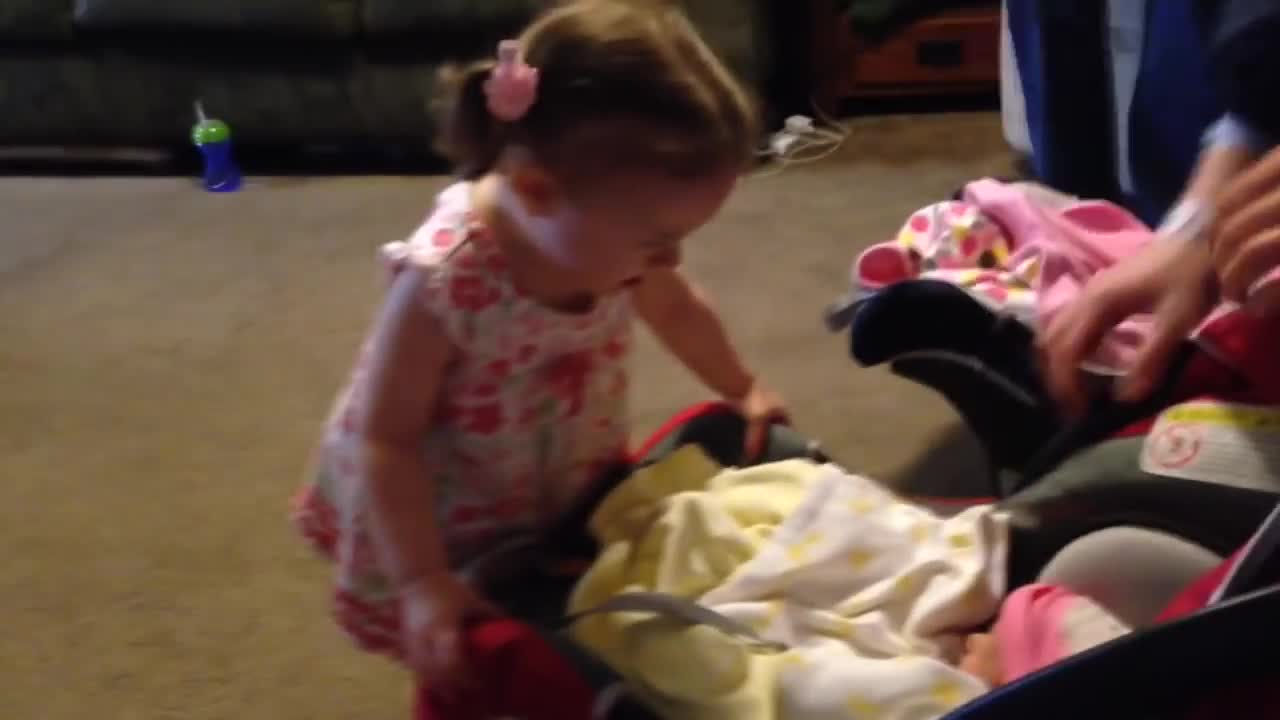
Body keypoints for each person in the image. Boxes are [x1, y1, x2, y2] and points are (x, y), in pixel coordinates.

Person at [291, 0, 786, 704]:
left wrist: (743, 387)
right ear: (536, 192)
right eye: (655, 240)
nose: (670, 257)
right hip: (443, 510)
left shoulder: (612, 244)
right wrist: (422, 581)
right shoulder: (445, 282)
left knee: (558, 617)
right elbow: (387, 438)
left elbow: (675, 306)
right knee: (467, 655)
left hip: (553, 463)